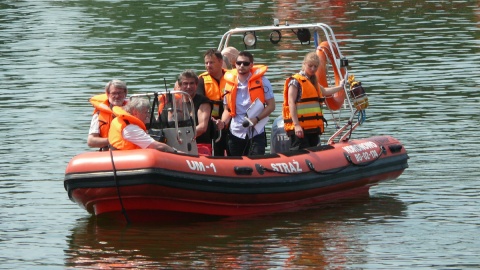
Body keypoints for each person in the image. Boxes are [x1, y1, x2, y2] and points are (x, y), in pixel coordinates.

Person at [282, 51, 345, 150]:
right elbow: (291, 103)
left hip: (313, 128)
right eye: (310, 66)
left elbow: (324, 91)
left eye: (315, 66)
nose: (313, 69)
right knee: (299, 151)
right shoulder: (295, 81)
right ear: (304, 64)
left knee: (314, 150)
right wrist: (296, 125)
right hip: (300, 127)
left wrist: (340, 87)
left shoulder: (312, 81)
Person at [216, 51, 275, 156]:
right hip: (235, 132)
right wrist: (223, 123)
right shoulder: (229, 84)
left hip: (256, 131)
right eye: (239, 63)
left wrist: (256, 119)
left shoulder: (263, 82)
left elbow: (271, 106)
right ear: (235, 64)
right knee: (235, 166)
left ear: (251, 65)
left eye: (245, 63)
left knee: (256, 163)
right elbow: (227, 110)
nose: (241, 66)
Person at [108, 97, 177, 152]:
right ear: (135, 112)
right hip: (127, 161)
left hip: (118, 156)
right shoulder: (130, 128)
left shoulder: (119, 120)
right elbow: (157, 146)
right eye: (145, 112)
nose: (147, 116)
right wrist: (175, 151)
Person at [196, 49, 228, 156]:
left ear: (221, 62)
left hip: (230, 117)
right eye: (206, 63)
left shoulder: (231, 78)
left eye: (211, 62)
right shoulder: (201, 80)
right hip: (211, 120)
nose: (208, 65)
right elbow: (200, 103)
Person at [177, 69, 213, 155]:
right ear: (180, 86)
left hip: (199, 144)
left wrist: (183, 137)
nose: (189, 87)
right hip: (178, 143)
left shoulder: (203, 102)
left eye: (192, 83)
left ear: (196, 85)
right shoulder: (175, 103)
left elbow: (202, 127)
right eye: (185, 83)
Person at [87, 80, 128, 151]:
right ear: (108, 94)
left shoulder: (134, 110)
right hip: (109, 153)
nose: (117, 96)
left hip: (131, 151)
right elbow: (91, 141)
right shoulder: (99, 114)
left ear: (125, 94)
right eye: (114, 93)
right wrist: (114, 141)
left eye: (120, 93)